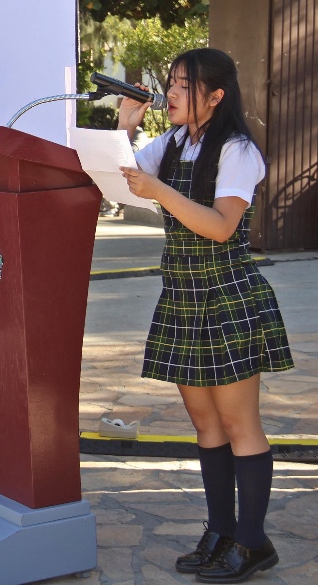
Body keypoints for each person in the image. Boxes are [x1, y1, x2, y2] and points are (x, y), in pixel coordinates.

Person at [118, 48, 293, 583]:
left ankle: (252, 540)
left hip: (228, 296)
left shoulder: (238, 150)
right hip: (182, 295)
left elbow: (220, 226)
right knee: (205, 423)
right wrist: (124, 127)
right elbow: (116, 178)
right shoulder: (171, 142)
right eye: (170, 82)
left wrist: (161, 190)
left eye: (184, 86)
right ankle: (220, 529)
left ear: (215, 97)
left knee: (240, 423)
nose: (171, 93)